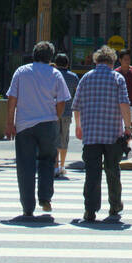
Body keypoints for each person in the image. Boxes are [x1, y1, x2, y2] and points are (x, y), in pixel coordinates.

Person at [5, 41, 71, 219]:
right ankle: (45, 198)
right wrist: (55, 118)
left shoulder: (21, 72)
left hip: (24, 125)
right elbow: (62, 101)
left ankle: (28, 206)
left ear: (34, 54)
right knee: (48, 161)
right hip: (48, 123)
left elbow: (12, 98)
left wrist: (9, 122)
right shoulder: (55, 74)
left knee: (25, 165)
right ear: (50, 56)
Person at [72, 44, 132, 222]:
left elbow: (77, 105)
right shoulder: (117, 78)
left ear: (96, 61)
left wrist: (78, 126)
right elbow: (124, 104)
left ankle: (90, 209)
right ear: (113, 62)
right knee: (113, 170)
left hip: (91, 134)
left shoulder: (86, 78)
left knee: (92, 173)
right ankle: (114, 206)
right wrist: (128, 127)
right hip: (113, 134)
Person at [53, 51, 80, 179]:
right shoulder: (73, 77)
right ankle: (63, 166)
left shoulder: (52, 75)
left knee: (54, 139)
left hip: (53, 112)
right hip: (68, 112)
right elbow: (77, 94)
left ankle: (55, 166)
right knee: (64, 140)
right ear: (67, 64)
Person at [115, 50, 132, 115]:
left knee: (130, 123)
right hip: (118, 104)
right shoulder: (116, 73)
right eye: (125, 59)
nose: (127, 61)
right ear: (120, 60)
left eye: (129, 59)